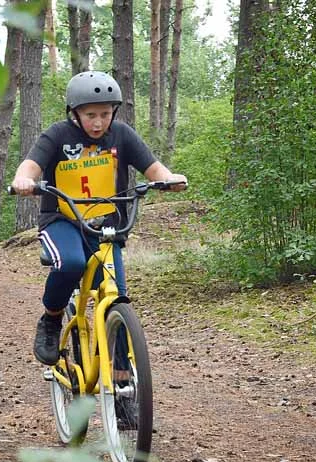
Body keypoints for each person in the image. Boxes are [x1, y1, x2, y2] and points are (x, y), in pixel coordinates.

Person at [10, 71, 188, 366]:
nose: (98, 122)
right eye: (90, 114)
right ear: (74, 113)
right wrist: (23, 180)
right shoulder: (57, 135)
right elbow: (30, 165)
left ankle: (121, 379)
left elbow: (152, 167)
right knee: (71, 264)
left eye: (105, 114)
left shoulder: (121, 134)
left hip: (107, 223)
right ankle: (51, 321)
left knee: (114, 294)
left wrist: (169, 179)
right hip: (62, 219)